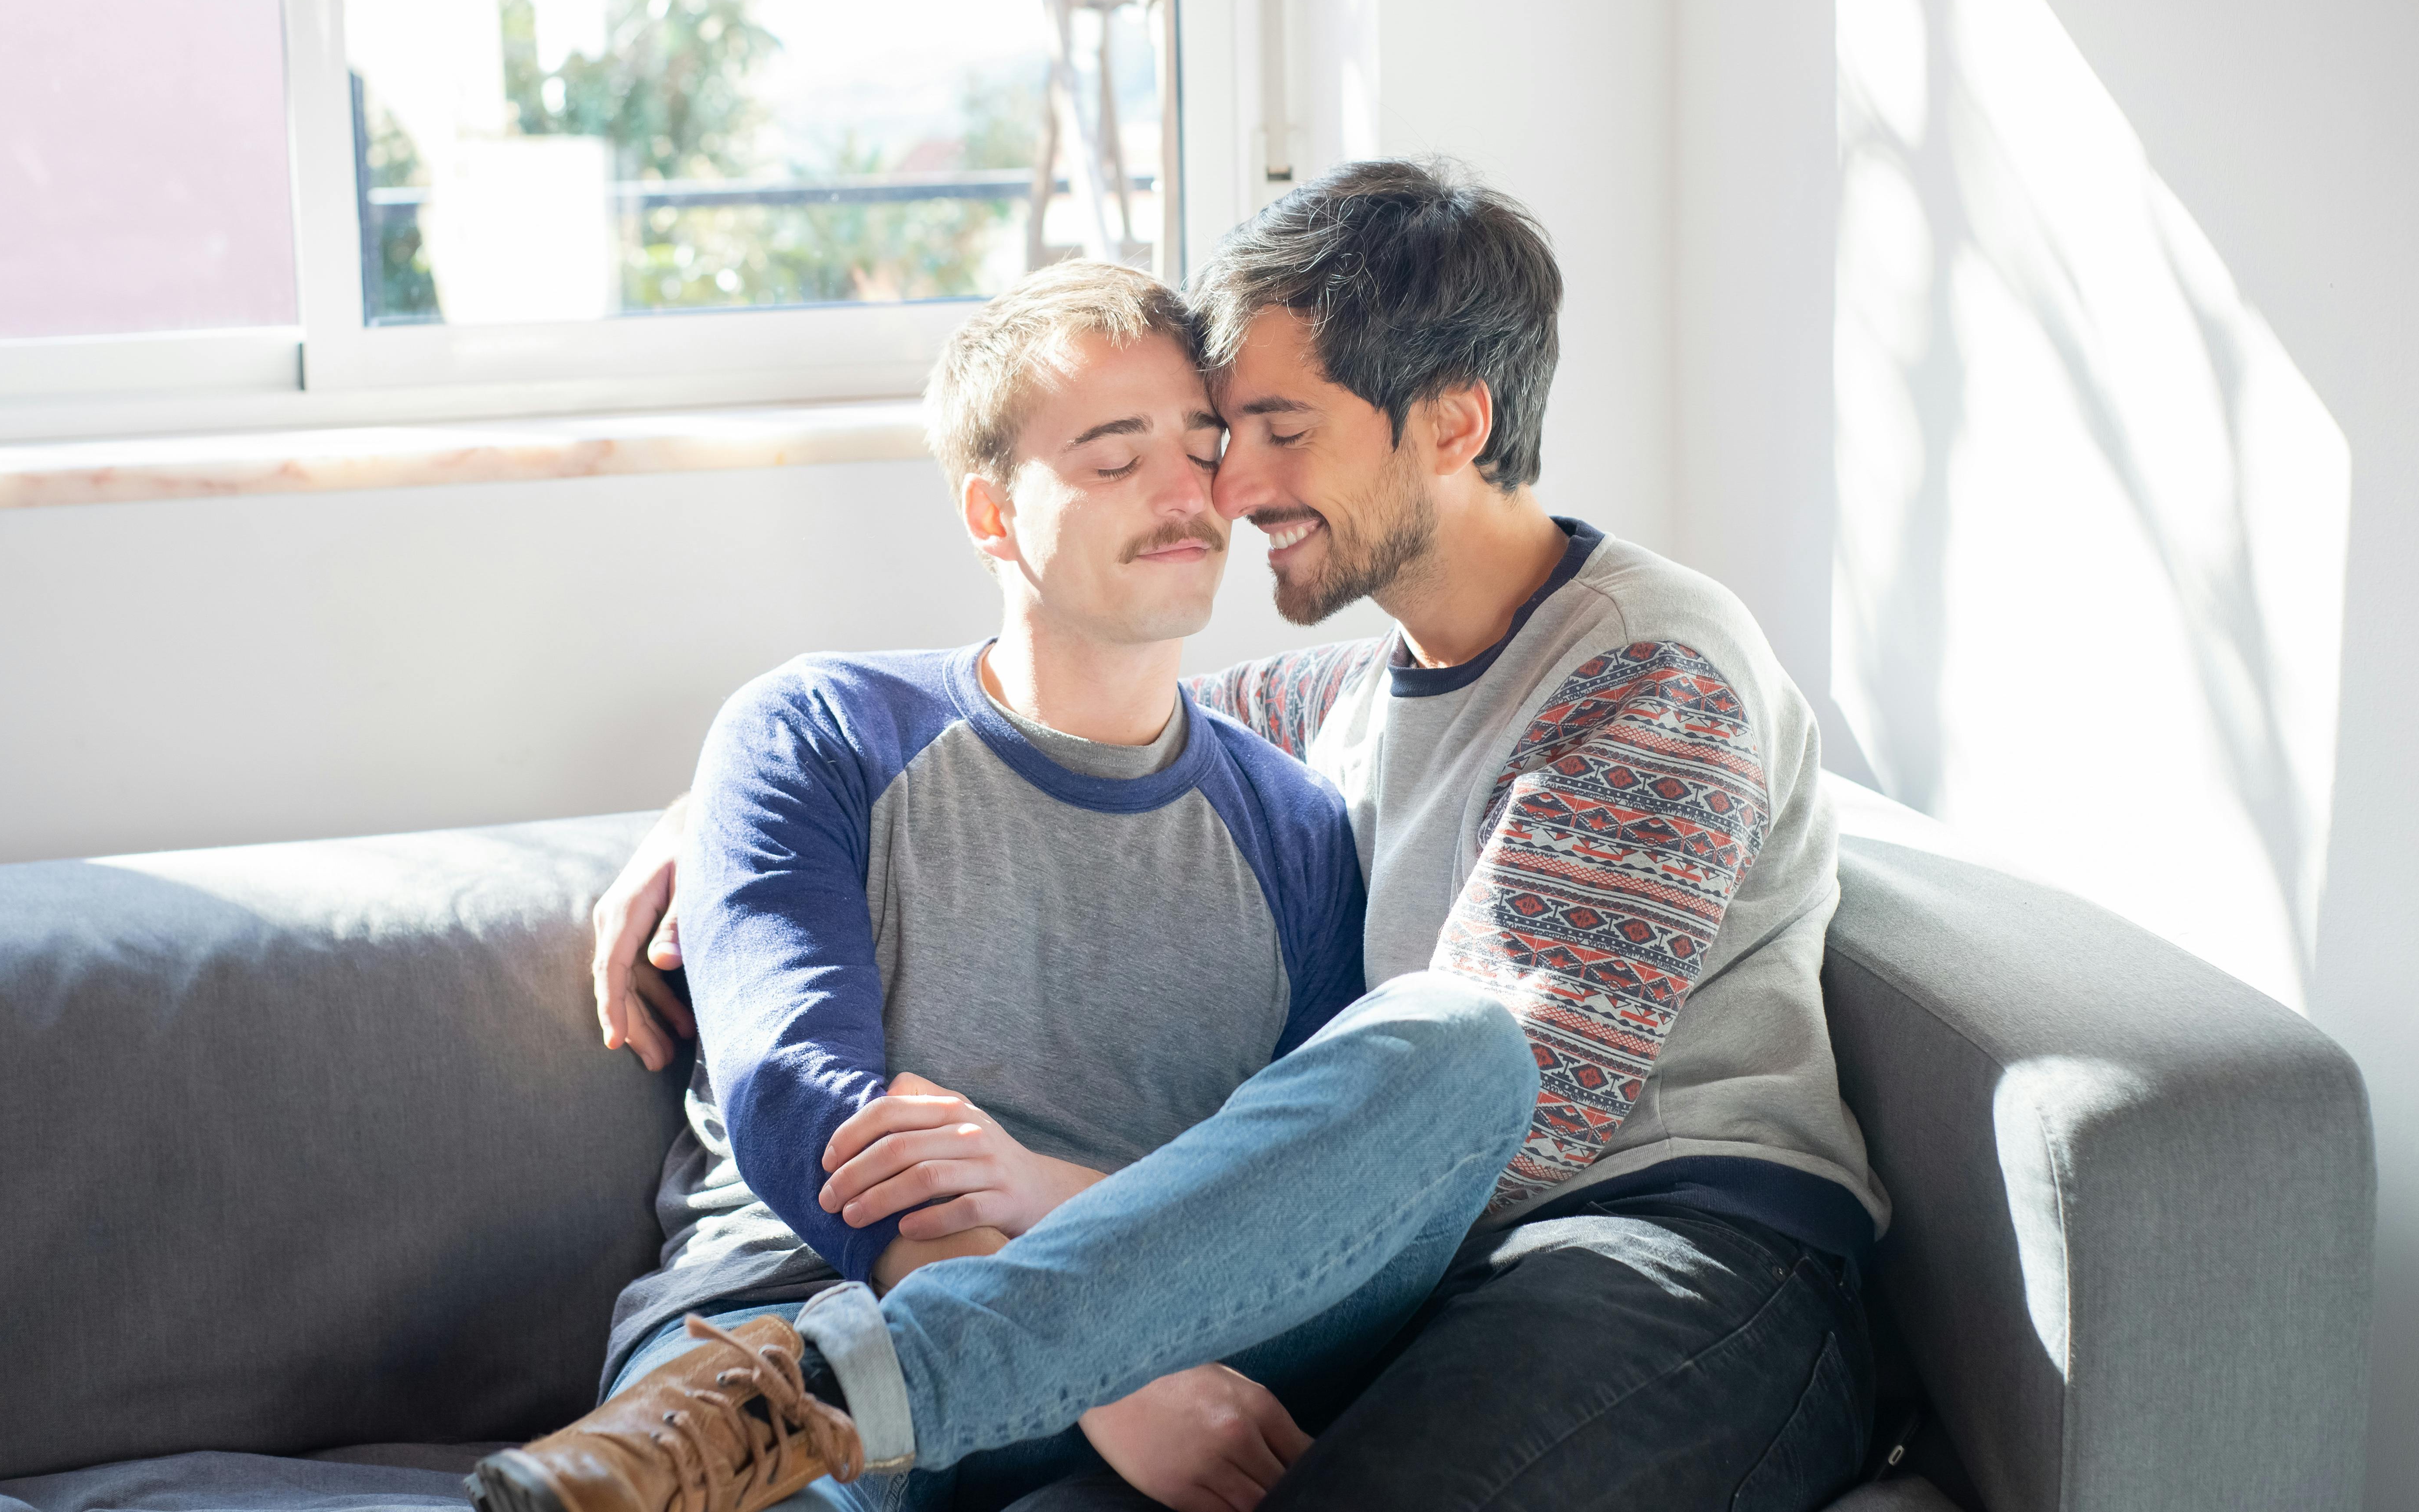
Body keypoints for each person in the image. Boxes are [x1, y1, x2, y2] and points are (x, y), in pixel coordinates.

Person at [592, 161, 1889, 1512]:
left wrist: (1049, 1196)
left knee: (1460, 1046)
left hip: (1676, 1246)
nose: (1229, 486)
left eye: (1268, 431)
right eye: (1212, 438)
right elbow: (1072, 716)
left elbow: (1511, 1133)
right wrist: (714, 810)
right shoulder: (1338, 700)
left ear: (1449, 424)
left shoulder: (1643, 669)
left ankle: (838, 1391)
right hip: (1414, 1278)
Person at [470, 260, 1540, 1512]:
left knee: (1463, 1043)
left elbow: (1281, 1188)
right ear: (990, 516)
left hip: (1151, 1355)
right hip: (772, 1362)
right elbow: (794, 1093)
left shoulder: (1293, 822)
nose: (1185, 492)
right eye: (1110, 458)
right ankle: (864, 1395)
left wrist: (1119, 1352)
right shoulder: (814, 730)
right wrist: (1104, 1378)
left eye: (1204, 451)